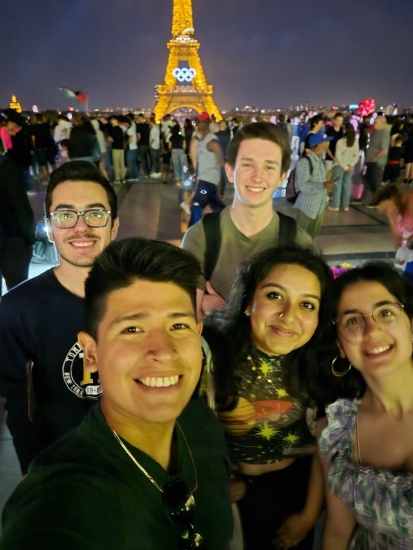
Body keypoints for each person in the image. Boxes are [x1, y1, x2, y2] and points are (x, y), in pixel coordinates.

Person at [1, 237, 233, 549]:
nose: (163, 352)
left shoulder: (201, 423)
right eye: (132, 329)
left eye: (178, 326)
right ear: (91, 353)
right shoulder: (62, 499)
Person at [202, 245, 334, 550]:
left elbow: (325, 451)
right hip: (221, 497)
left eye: (307, 305)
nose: (289, 316)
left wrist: (308, 515)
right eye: (275, 296)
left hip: (289, 497)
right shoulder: (208, 354)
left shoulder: (324, 367)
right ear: (249, 302)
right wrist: (215, 483)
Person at [0, 161, 119, 474]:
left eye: (95, 213)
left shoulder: (145, 300)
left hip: (137, 469)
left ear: (114, 226)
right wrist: (35, 476)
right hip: (60, 473)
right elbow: (19, 409)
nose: (81, 227)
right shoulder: (16, 310)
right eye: (66, 215)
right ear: (50, 229)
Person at [318, 262, 413, 548]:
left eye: (385, 313)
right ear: (340, 345)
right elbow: (337, 532)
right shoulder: (338, 432)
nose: (371, 331)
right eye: (352, 321)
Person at [182, 122, 313, 318]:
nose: (257, 177)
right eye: (248, 165)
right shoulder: (199, 237)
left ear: (281, 177)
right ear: (229, 171)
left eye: (269, 167)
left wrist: (226, 311)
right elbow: (188, 317)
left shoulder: (299, 242)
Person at [0, 149, 36, 295]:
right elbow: (20, 205)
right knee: (18, 293)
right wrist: (29, 237)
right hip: (12, 237)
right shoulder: (5, 165)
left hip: (11, 238)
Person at [294, 132, 335, 239]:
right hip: (307, 207)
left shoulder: (319, 160)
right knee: (300, 236)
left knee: (312, 236)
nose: (327, 145)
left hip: (319, 206)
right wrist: (323, 185)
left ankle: (309, 253)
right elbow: (303, 186)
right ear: (318, 145)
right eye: (325, 142)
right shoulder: (305, 162)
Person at [187, 113, 224, 227]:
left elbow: (220, 160)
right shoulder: (202, 140)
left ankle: (191, 233)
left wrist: (222, 182)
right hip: (206, 180)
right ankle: (228, 222)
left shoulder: (211, 141)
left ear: (204, 124)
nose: (197, 125)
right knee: (216, 205)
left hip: (207, 181)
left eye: (199, 123)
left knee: (197, 205)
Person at [328, 123, 360, 212]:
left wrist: (344, 166)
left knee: (337, 186)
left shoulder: (340, 142)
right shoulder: (355, 142)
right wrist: (351, 165)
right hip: (350, 167)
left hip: (339, 166)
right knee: (347, 186)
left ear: (345, 131)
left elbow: (338, 156)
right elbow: (356, 156)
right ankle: (345, 206)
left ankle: (335, 205)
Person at [363, 113, 391, 205]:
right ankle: (368, 198)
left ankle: (377, 201)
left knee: (375, 182)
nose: (374, 123)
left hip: (377, 162)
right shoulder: (376, 131)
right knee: (368, 180)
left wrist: (374, 158)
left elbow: (384, 150)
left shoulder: (384, 133)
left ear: (383, 123)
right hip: (371, 161)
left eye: (376, 122)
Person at [109, 115, 126, 183]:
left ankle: (117, 179)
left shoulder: (113, 129)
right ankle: (123, 178)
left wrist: (109, 138)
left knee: (116, 164)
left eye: (112, 120)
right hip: (121, 148)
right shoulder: (120, 129)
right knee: (122, 163)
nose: (111, 122)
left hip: (115, 148)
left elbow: (112, 139)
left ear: (115, 121)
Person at [136, 113, 151, 177]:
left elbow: (139, 137)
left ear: (140, 118)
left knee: (143, 159)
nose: (138, 120)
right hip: (147, 144)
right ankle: (148, 171)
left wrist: (137, 142)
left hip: (141, 144)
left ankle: (146, 173)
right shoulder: (147, 126)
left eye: (138, 118)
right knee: (146, 158)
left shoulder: (139, 126)